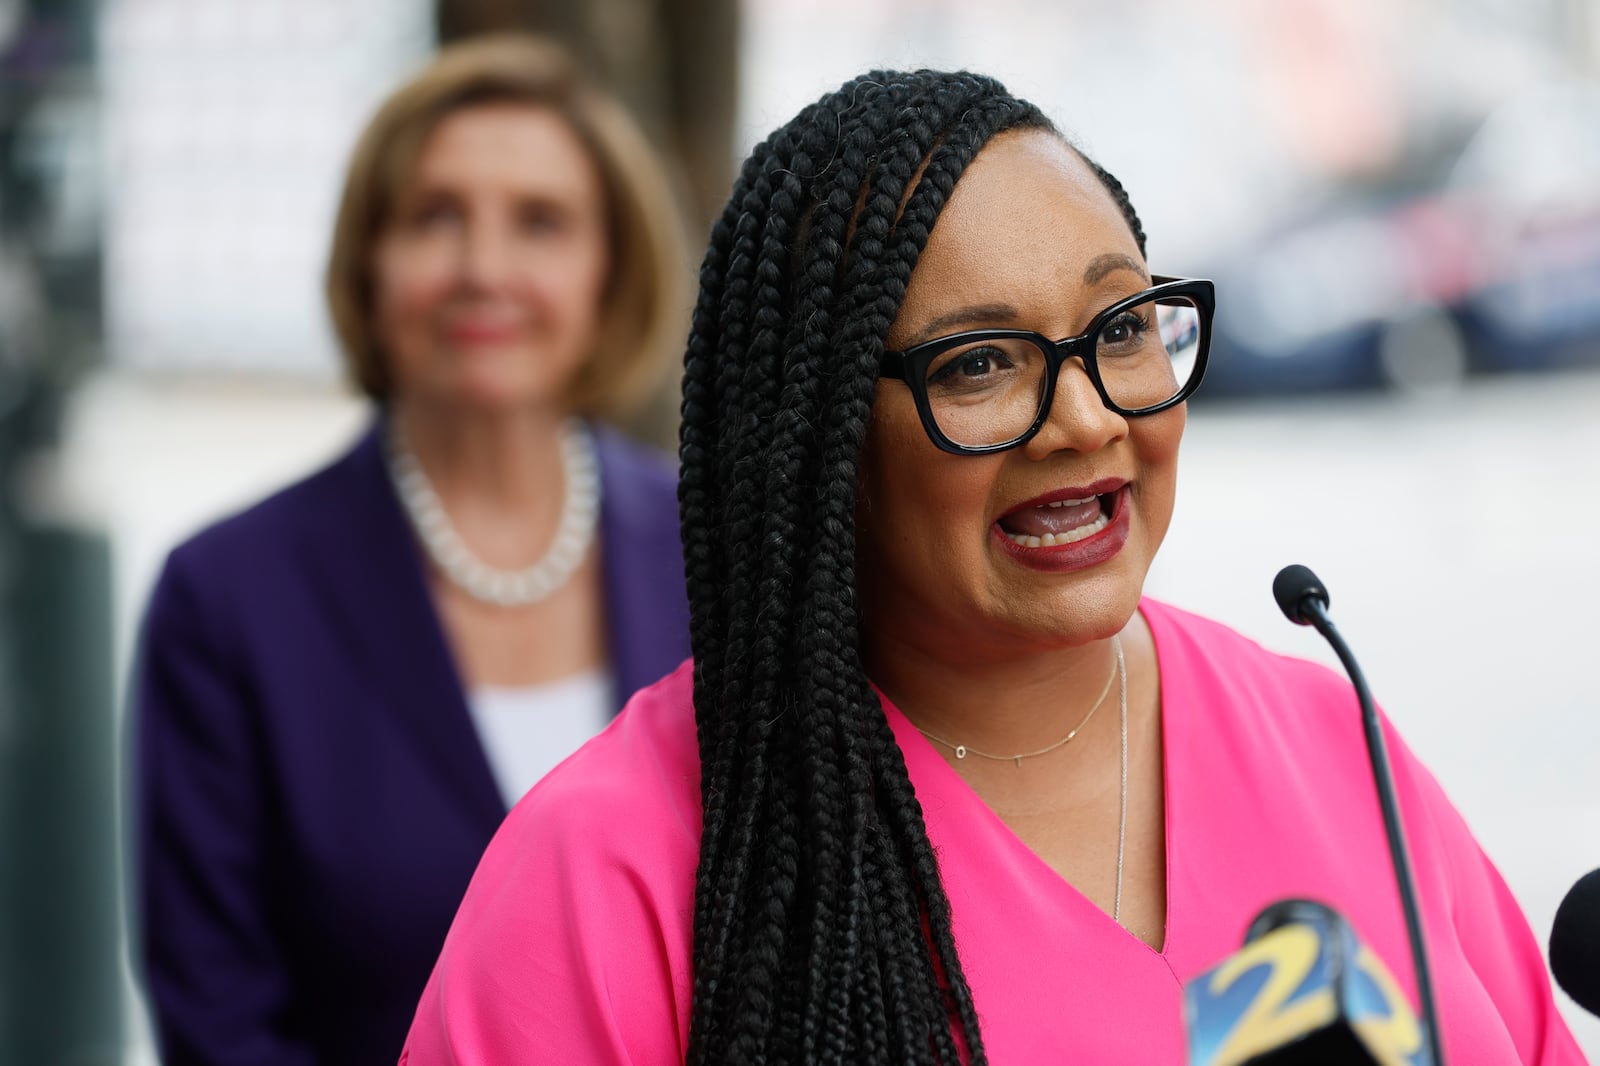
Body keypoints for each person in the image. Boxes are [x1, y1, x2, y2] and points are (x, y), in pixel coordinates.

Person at [397, 69, 1585, 1064]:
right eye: (977, 365)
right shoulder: (612, 871)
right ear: (821, 444)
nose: (1081, 418)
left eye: (1120, 329)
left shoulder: (1333, 744)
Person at [131, 35, 690, 1066]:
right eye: (435, 216)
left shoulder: (719, 557)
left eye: (540, 221)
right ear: (368, 260)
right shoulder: (226, 600)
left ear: (611, 270)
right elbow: (219, 1022)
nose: (483, 268)